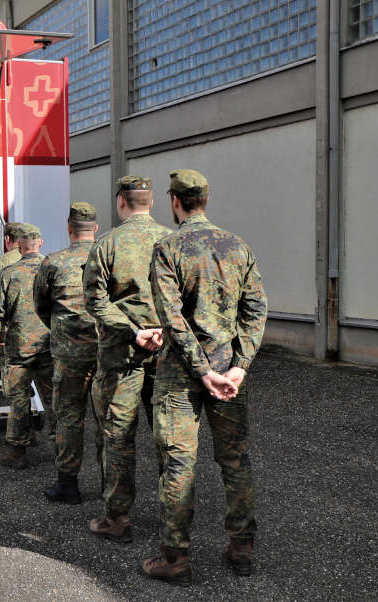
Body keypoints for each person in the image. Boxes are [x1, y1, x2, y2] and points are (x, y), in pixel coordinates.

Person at [140, 169, 267, 587]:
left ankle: (175, 558)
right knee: (235, 460)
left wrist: (202, 371)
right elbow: (255, 311)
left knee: (178, 464)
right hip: (228, 375)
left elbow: (172, 319)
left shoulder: (168, 247)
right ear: (205, 201)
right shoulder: (237, 246)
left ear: (175, 201)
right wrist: (237, 367)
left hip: (181, 376)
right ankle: (242, 548)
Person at [82, 176, 173, 543]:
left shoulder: (107, 244)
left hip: (123, 355)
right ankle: (174, 520)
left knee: (119, 435)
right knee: (168, 437)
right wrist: (164, 330)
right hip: (168, 352)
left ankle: (117, 519)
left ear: (121, 201)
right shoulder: (172, 240)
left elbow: (95, 301)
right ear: (151, 203)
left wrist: (135, 331)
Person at [33, 202, 101, 504]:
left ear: (69, 228)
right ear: (95, 229)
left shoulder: (53, 262)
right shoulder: (107, 256)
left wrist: (61, 328)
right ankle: (110, 486)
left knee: (69, 417)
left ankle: (67, 484)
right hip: (105, 350)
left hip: (69, 353)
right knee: (109, 419)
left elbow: (41, 304)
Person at [0, 224, 55, 469]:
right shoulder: (53, 268)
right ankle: (62, 446)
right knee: (53, 396)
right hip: (49, 344)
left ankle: (18, 452)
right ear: (41, 244)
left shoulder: (10, 271)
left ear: (19, 246)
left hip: (18, 346)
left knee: (19, 398)